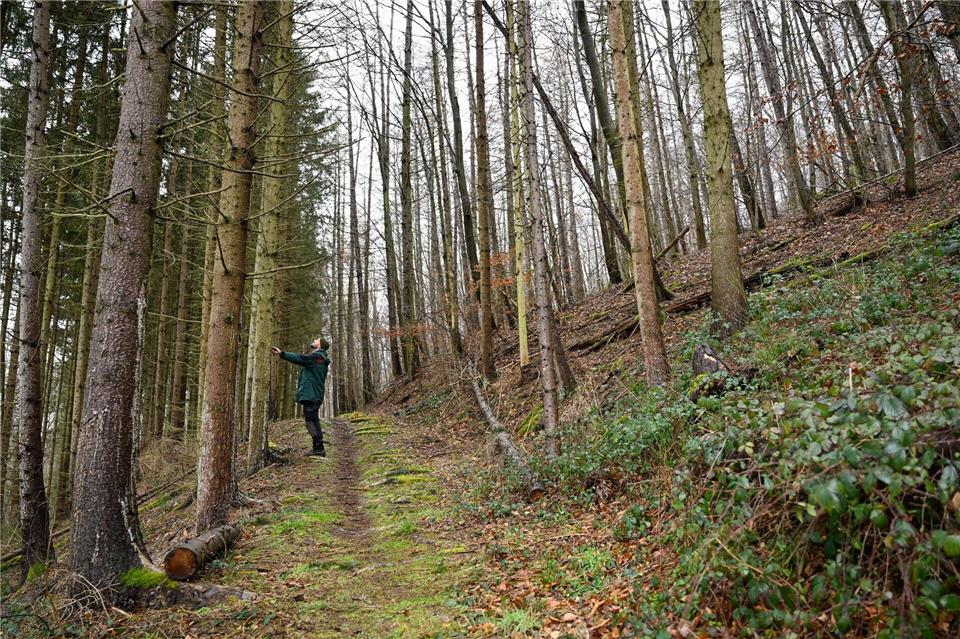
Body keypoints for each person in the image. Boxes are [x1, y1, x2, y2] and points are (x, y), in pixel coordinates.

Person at [272, 337, 330, 457]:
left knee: (311, 421)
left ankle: (318, 449)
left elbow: (300, 358)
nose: (314, 340)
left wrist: (282, 353)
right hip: (314, 394)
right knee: (313, 421)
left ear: (320, 345)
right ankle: (318, 448)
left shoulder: (317, 358)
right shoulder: (320, 358)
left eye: (317, 340)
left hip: (312, 395)